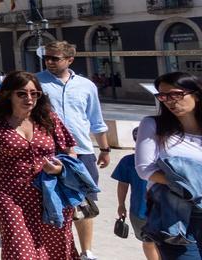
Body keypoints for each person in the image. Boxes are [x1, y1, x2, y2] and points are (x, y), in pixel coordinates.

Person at [0, 70, 78, 260]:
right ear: (8, 94)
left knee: (55, 247)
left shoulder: (49, 119)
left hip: (50, 194)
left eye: (34, 93)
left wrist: (60, 168)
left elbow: (70, 151)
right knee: (20, 251)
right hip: (11, 195)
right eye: (22, 93)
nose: (29, 98)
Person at [38, 40, 110, 260]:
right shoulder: (36, 83)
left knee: (84, 201)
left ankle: (87, 250)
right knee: (49, 199)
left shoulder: (87, 86)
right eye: (47, 58)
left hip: (82, 151)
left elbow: (95, 119)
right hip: (49, 150)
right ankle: (53, 246)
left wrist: (104, 148)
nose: (49, 62)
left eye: (55, 58)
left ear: (69, 59)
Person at [135, 72, 202, 260]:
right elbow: (144, 169)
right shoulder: (153, 125)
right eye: (163, 96)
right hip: (174, 216)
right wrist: (186, 186)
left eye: (176, 95)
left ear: (196, 94)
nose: (169, 101)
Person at [114, 126, 159, 260]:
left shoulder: (164, 160)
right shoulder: (128, 161)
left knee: (155, 242)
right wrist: (121, 205)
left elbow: (122, 184)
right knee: (149, 242)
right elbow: (122, 184)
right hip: (141, 211)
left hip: (156, 210)